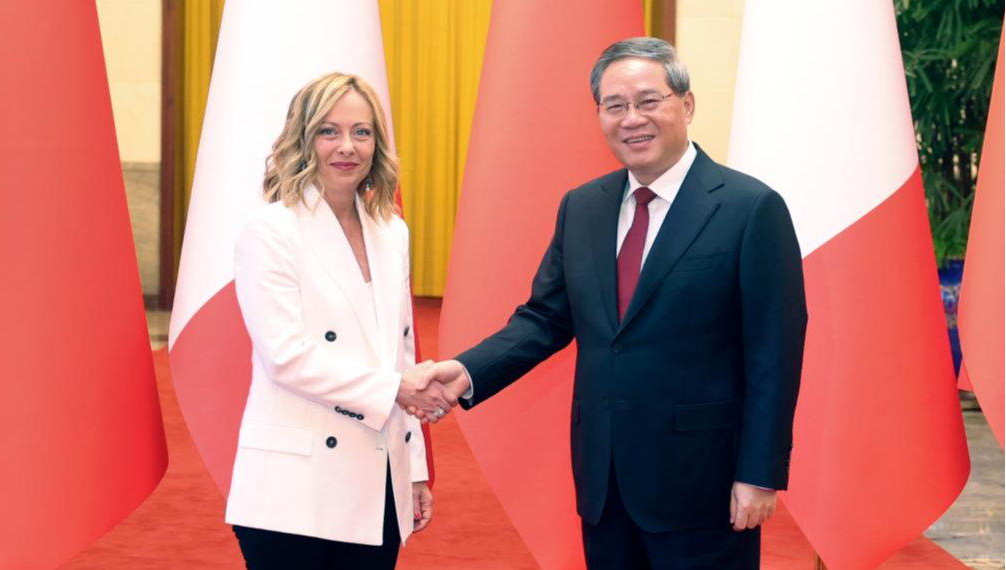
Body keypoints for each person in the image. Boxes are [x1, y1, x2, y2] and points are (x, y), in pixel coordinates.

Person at [420, 38, 807, 569]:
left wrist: (759, 473)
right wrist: (464, 372)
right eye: (615, 105)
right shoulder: (584, 207)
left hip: (705, 488)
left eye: (649, 101)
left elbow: (774, 354)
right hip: (605, 483)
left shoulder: (750, 209)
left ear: (686, 105)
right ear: (598, 113)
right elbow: (545, 319)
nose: (632, 119)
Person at [225, 72, 457, 570]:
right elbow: (286, 357)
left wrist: (412, 469)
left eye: (362, 131)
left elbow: (401, 354)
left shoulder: (391, 230)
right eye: (329, 131)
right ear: (302, 138)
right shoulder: (270, 230)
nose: (347, 147)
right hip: (293, 493)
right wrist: (398, 388)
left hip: (378, 483)